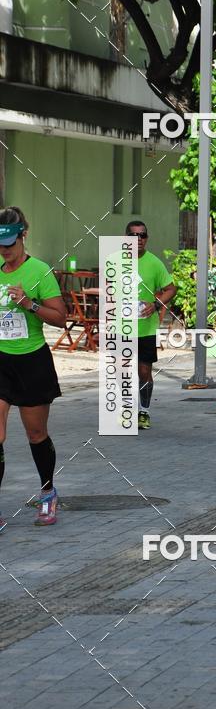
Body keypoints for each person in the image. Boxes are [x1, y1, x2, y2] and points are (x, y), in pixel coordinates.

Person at [0, 207, 67, 529]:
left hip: (32, 361)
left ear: (23, 236)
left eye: (10, 243)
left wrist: (29, 304)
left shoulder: (39, 271)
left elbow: (60, 317)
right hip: (1, 361)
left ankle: (47, 492)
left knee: (36, 434)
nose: (5, 250)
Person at [125, 221, 176, 430]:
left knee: (144, 371)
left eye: (143, 235)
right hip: (121, 327)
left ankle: (143, 411)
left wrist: (155, 305)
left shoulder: (154, 263)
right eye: (134, 235)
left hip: (145, 328)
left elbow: (171, 289)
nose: (138, 239)